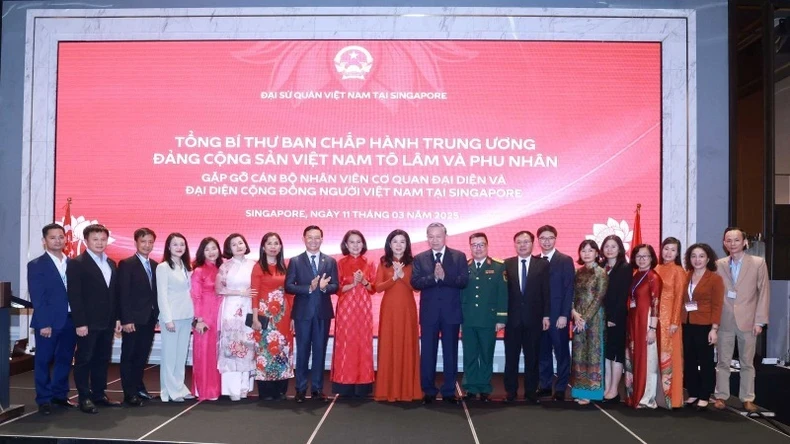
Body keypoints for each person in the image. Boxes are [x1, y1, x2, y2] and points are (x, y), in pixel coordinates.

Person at [713, 227, 770, 413]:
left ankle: (747, 398)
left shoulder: (758, 263)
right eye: (728, 240)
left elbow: (764, 294)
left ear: (744, 242)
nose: (732, 243)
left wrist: (760, 321)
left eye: (736, 240)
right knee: (723, 362)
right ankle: (721, 396)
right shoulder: (719, 264)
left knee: (747, 362)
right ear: (724, 243)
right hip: (725, 320)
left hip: (749, 320)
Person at [410, 222, 469, 404]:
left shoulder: (459, 257)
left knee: (450, 353)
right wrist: (433, 278)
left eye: (438, 236)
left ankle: (449, 391)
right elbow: (415, 283)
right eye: (431, 236)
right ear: (427, 237)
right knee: (428, 353)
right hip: (429, 314)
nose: (434, 240)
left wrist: (445, 277)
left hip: (451, 313)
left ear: (445, 237)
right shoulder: (420, 258)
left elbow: (463, 281)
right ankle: (428, 390)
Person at [67, 224, 122, 414]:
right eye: (95, 239)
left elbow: (113, 294)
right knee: (84, 360)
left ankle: (99, 394)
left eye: (103, 239)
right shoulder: (77, 263)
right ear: (86, 241)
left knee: (102, 359)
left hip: (107, 322)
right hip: (87, 323)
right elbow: (74, 295)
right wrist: (80, 322)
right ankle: (84, 397)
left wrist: (116, 318)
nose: (99, 243)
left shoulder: (111, 263)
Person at [285, 225, 339, 403]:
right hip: (302, 314)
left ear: (322, 239)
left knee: (319, 352)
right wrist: (309, 288)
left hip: (322, 314)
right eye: (310, 237)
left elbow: (335, 286)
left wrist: (324, 288)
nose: (314, 241)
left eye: (317, 238)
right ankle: (300, 389)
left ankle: (317, 389)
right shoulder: (295, 261)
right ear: (304, 239)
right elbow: (289, 286)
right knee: (302, 352)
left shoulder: (330, 261)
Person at [28, 223, 77, 415]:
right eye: (52, 237)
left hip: (71, 319)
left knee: (65, 359)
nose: (57, 240)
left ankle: (59, 395)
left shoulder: (72, 264)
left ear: (65, 239)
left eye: (61, 237)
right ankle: (44, 398)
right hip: (48, 322)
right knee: (43, 360)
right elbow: (37, 297)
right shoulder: (36, 265)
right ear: (44, 241)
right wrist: (44, 323)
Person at [373, 229, 422, 402]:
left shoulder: (413, 262)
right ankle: (388, 390)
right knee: (389, 346)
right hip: (389, 311)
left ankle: (408, 390)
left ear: (407, 244)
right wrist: (394, 278)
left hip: (407, 309)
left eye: (402, 241)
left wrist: (402, 276)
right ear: (389, 244)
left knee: (407, 345)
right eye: (395, 241)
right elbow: (377, 287)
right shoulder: (383, 262)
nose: (399, 245)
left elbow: (416, 288)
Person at [503, 231, 550, 404]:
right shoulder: (506, 264)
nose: (522, 245)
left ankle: (531, 392)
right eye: (519, 242)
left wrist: (547, 315)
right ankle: (511, 392)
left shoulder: (542, 265)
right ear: (514, 244)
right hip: (512, 320)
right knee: (511, 358)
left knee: (533, 358)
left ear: (532, 244)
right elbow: (502, 294)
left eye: (526, 242)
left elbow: (547, 292)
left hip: (534, 320)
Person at [460, 232, 507, 402]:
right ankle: (471, 387)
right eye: (474, 245)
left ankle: (485, 387)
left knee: (486, 354)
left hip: (489, 319)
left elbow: (503, 294)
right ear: (470, 247)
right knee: (470, 354)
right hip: (468, 319)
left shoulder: (498, 266)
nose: (478, 248)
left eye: (481, 244)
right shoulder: (464, 266)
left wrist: (501, 319)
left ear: (487, 246)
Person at [331, 230, 377, 398]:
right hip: (346, 310)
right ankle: (344, 383)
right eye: (352, 242)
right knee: (346, 343)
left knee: (363, 344)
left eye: (359, 242)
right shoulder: (340, 263)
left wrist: (364, 281)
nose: (356, 245)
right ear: (346, 244)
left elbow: (373, 289)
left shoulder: (370, 262)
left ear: (363, 244)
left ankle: (363, 384)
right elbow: (336, 289)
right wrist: (353, 284)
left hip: (363, 309)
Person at [251, 232, 294, 401]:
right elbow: (254, 294)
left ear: (281, 247)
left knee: (282, 350)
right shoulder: (258, 267)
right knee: (265, 350)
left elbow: (290, 293)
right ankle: (266, 391)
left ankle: (280, 390)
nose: (273, 246)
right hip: (264, 315)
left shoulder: (285, 266)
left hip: (283, 315)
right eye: (270, 243)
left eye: (276, 243)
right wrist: (255, 318)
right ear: (263, 247)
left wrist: (292, 317)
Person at [117, 228, 158, 407]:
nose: (147, 245)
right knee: (129, 356)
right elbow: (123, 294)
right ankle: (129, 393)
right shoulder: (127, 264)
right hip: (132, 320)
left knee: (142, 355)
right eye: (143, 242)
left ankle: (139, 387)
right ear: (136, 243)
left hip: (149, 318)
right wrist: (126, 319)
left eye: (150, 242)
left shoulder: (156, 265)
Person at [682, 243, 724, 411]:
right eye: (693, 256)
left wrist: (714, 329)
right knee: (690, 361)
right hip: (687, 324)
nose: (697, 259)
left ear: (708, 258)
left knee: (705, 362)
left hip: (705, 325)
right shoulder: (686, 276)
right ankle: (693, 392)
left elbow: (717, 305)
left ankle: (705, 395)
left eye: (701, 256)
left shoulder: (715, 279)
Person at [216, 233, 257, 401]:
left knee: (247, 345)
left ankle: (244, 387)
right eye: (234, 244)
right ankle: (232, 389)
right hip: (231, 310)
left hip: (248, 308)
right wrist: (240, 292)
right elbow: (219, 289)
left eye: (241, 243)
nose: (239, 246)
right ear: (228, 249)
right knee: (231, 347)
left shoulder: (254, 265)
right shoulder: (225, 267)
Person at [535, 225, 574, 401]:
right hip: (539, 318)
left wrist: (564, 315)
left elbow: (568, 290)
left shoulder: (565, 260)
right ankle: (544, 385)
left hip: (558, 316)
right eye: (543, 238)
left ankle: (560, 387)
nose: (546, 241)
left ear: (555, 239)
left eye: (550, 238)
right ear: (538, 240)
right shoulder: (534, 261)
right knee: (542, 353)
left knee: (561, 353)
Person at [624, 244, 665, 409]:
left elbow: (656, 304)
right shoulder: (636, 275)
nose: (641, 259)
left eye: (645, 256)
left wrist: (652, 329)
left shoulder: (653, 277)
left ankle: (647, 398)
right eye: (638, 256)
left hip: (647, 322)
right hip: (634, 321)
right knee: (636, 359)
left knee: (648, 360)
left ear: (652, 258)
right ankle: (635, 395)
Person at [156, 232, 195, 403]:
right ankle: (169, 391)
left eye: (182, 244)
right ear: (168, 247)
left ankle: (179, 387)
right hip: (171, 318)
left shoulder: (187, 267)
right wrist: (167, 319)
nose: (179, 248)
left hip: (186, 316)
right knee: (170, 356)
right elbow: (162, 295)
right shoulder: (163, 267)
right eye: (175, 244)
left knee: (181, 356)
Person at [569, 240, 608, 405]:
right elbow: (571, 295)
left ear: (597, 253)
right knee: (578, 354)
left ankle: (593, 392)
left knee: (593, 353)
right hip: (577, 319)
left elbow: (599, 298)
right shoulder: (578, 272)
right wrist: (574, 314)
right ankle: (579, 390)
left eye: (590, 250)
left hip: (594, 319)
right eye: (583, 250)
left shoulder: (601, 273)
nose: (586, 253)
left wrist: (584, 318)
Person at [190, 237, 223, 401]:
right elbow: (195, 296)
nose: (212, 252)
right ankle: (205, 389)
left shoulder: (222, 268)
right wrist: (198, 319)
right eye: (208, 249)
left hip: (221, 315)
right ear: (202, 252)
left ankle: (218, 388)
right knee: (205, 353)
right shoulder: (199, 270)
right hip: (205, 316)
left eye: (214, 248)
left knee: (218, 353)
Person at [655, 237, 685, 408]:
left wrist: (674, 321)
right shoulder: (656, 268)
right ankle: (659, 396)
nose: (668, 253)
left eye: (673, 250)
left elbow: (680, 297)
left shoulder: (678, 271)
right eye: (666, 249)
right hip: (655, 320)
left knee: (670, 358)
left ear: (677, 253)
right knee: (656, 357)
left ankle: (672, 399)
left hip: (670, 323)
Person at [600, 235, 631, 402]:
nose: (609, 249)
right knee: (607, 354)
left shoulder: (624, 268)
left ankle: (614, 390)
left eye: (613, 246)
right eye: (606, 246)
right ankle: (607, 387)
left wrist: (613, 317)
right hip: (601, 318)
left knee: (616, 354)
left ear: (620, 249)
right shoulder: (602, 267)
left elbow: (622, 296)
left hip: (616, 317)